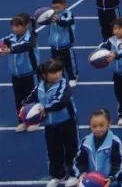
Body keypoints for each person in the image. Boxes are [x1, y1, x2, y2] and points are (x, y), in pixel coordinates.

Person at [31, 59, 79, 187]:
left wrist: (45, 109)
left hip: (67, 122)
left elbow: (60, 101)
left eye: (59, 71)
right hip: (50, 125)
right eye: (54, 72)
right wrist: (26, 108)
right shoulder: (40, 87)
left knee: (71, 149)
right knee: (53, 151)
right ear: (44, 75)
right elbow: (32, 98)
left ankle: (74, 174)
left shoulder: (64, 84)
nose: (58, 74)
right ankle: (58, 175)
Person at [75, 110, 122, 187]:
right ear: (90, 126)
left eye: (101, 125)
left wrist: (111, 178)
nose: (98, 129)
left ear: (109, 124)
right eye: (94, 126)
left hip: (113, 184)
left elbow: (119, 163)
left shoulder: (115, 142)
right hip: (92, 184)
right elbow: (80, 162)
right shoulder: (85, 142)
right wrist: (82, 174)